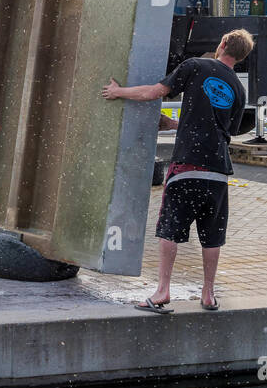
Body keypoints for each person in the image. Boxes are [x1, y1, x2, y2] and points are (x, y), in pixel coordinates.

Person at [102, 28, 254, 313]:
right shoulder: (238, 88)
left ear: (221, 44)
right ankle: (208, 295)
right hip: (218, 172)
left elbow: (153, 92)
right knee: (212, 235)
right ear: (242, 57)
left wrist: (117, 92)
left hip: (186, 166)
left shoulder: (195, 66)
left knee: (170, 230)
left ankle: (162, 291)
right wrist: (175, 125)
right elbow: (224, 129)